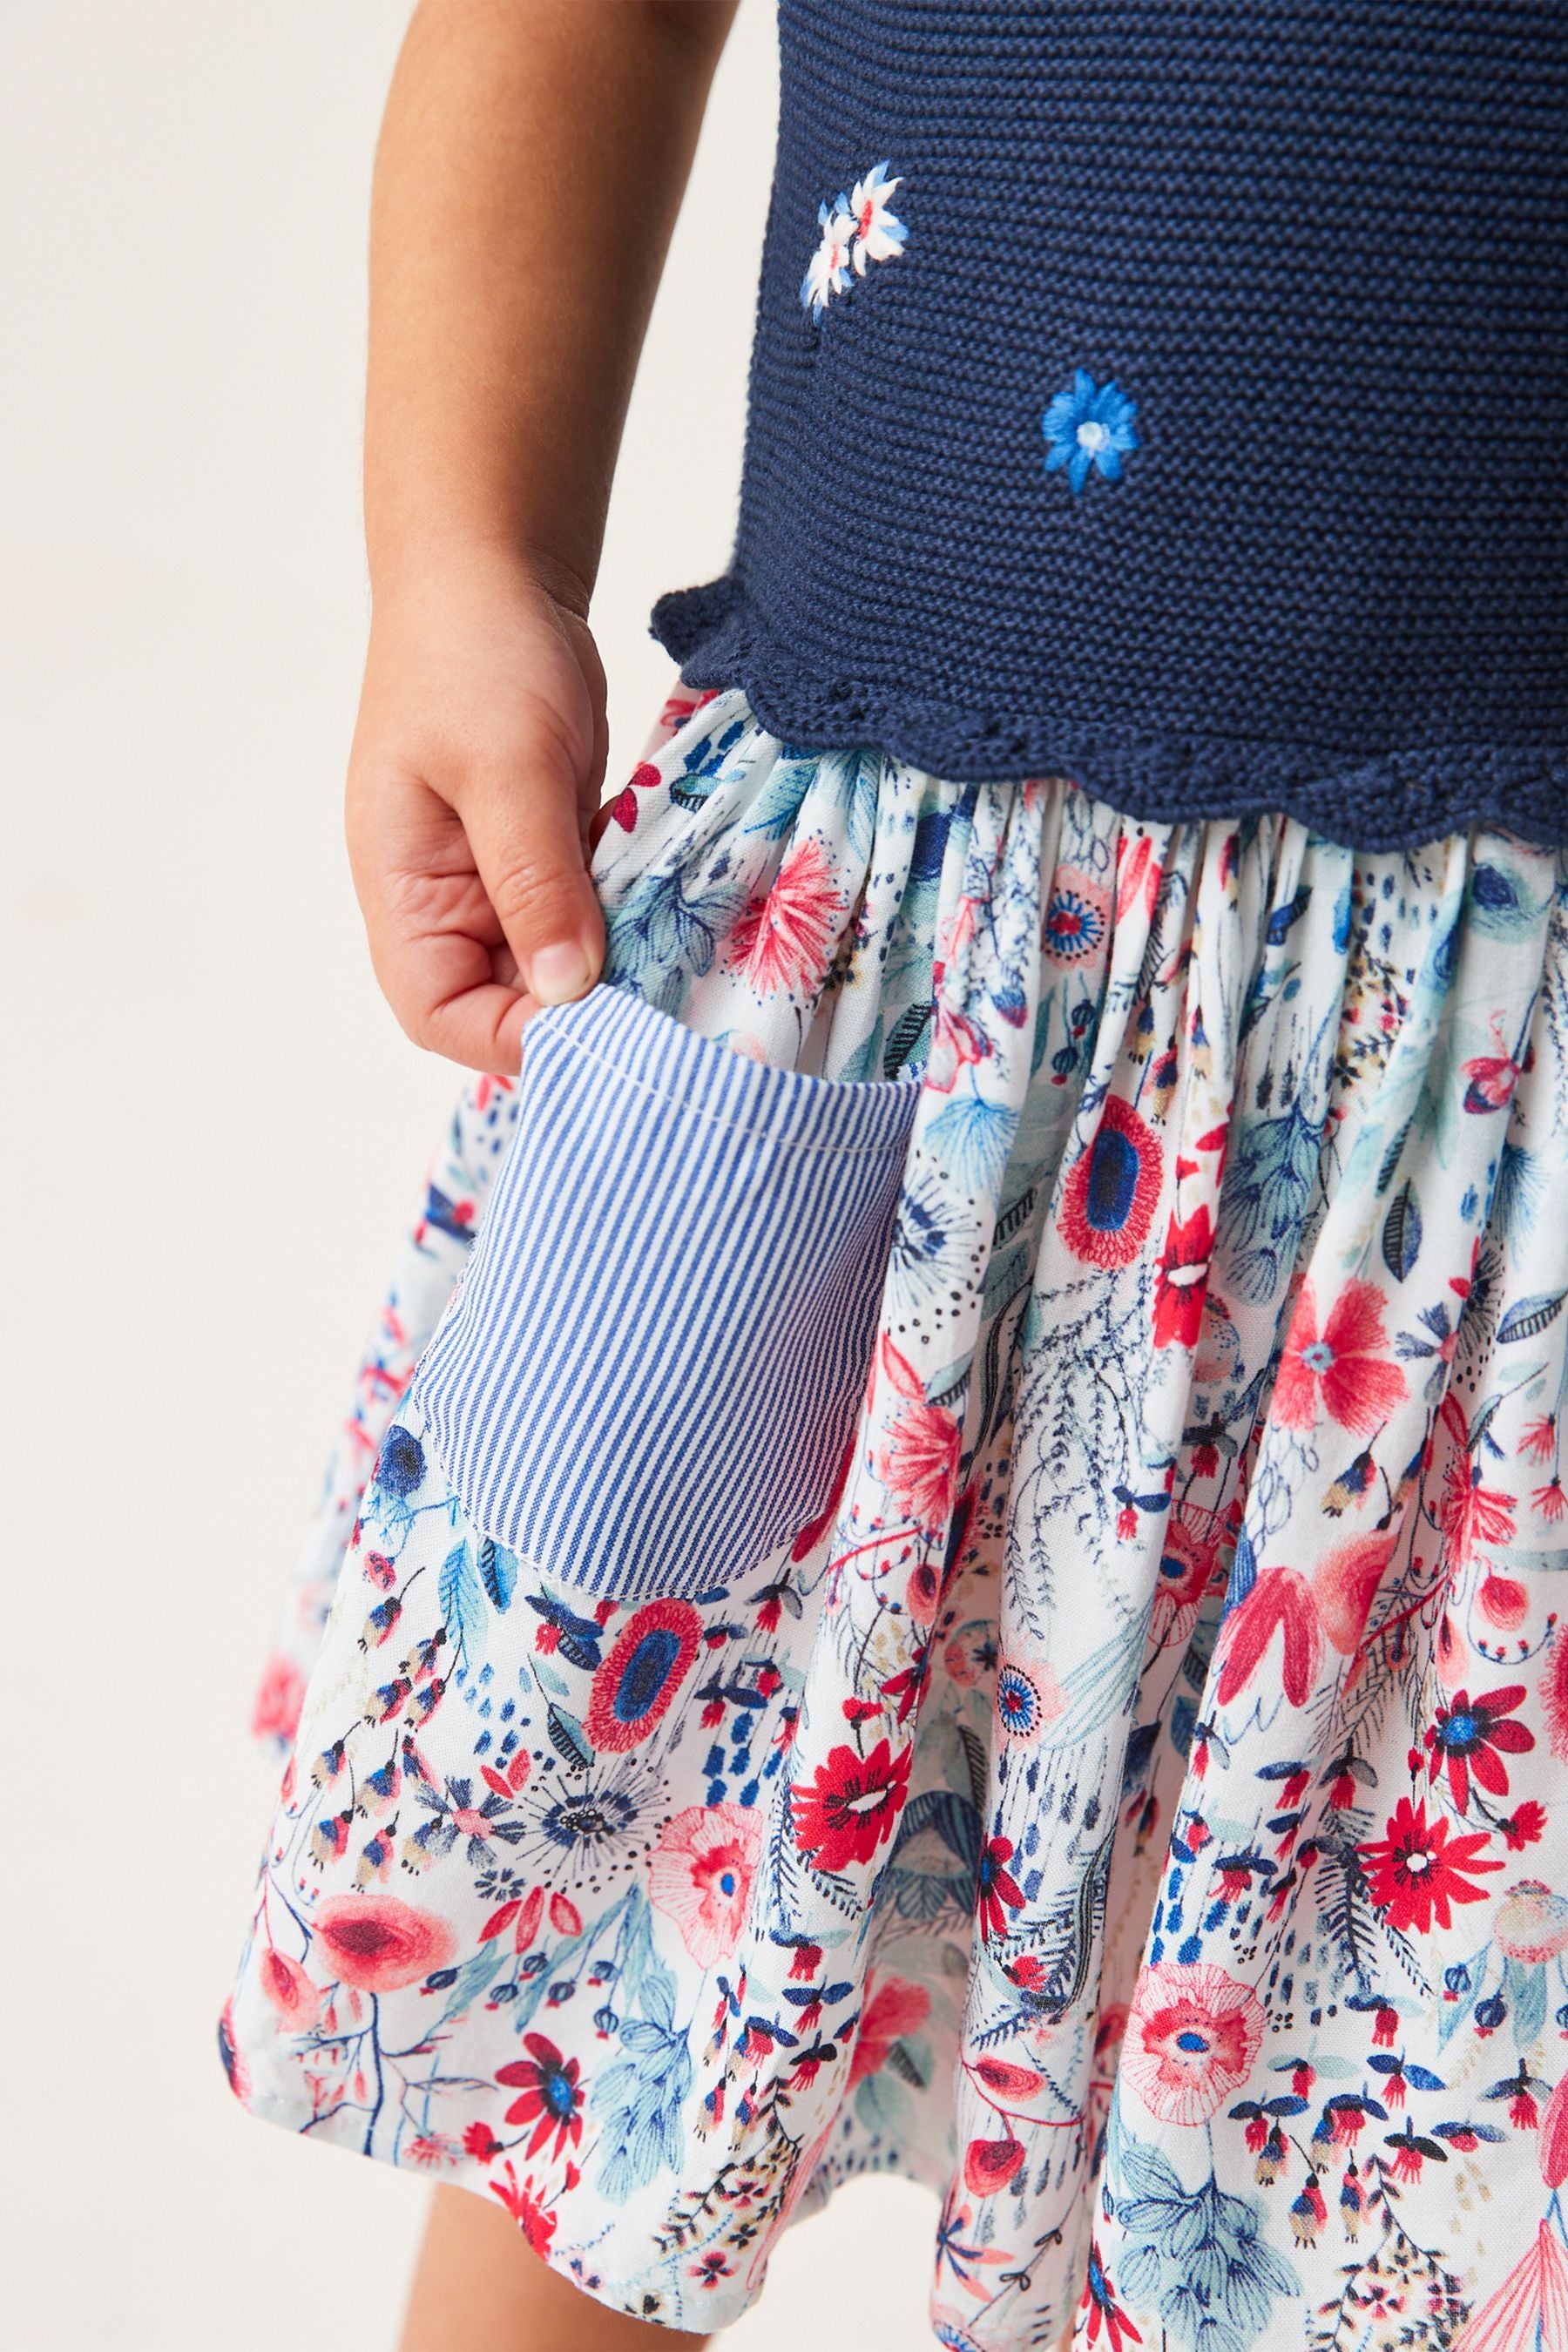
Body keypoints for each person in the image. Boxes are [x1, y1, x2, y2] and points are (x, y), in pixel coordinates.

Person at [224, 3, 1568, 2347]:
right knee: (603, 2038)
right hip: (874, 960)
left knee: (1363, 2194)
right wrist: (463, 558)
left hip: (1488, 1136)